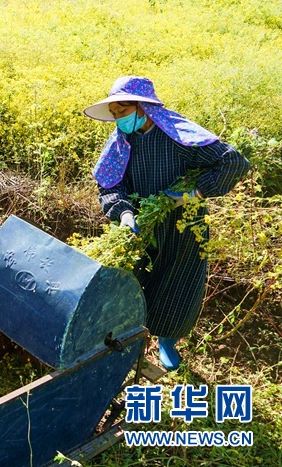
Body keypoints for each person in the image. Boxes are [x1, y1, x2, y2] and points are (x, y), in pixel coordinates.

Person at [83, 76, 250, 371]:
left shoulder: (179, 136)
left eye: (123, 112)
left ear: (143, 107)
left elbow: (234, 162)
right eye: (116, 115)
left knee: (180, 282)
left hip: (184, 224)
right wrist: (123, 213)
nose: (119, 120)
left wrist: (194, 192)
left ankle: (167, 341)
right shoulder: (123, 143)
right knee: (132, 280)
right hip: (140, 226)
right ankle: (131, 338)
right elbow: (109, 186)